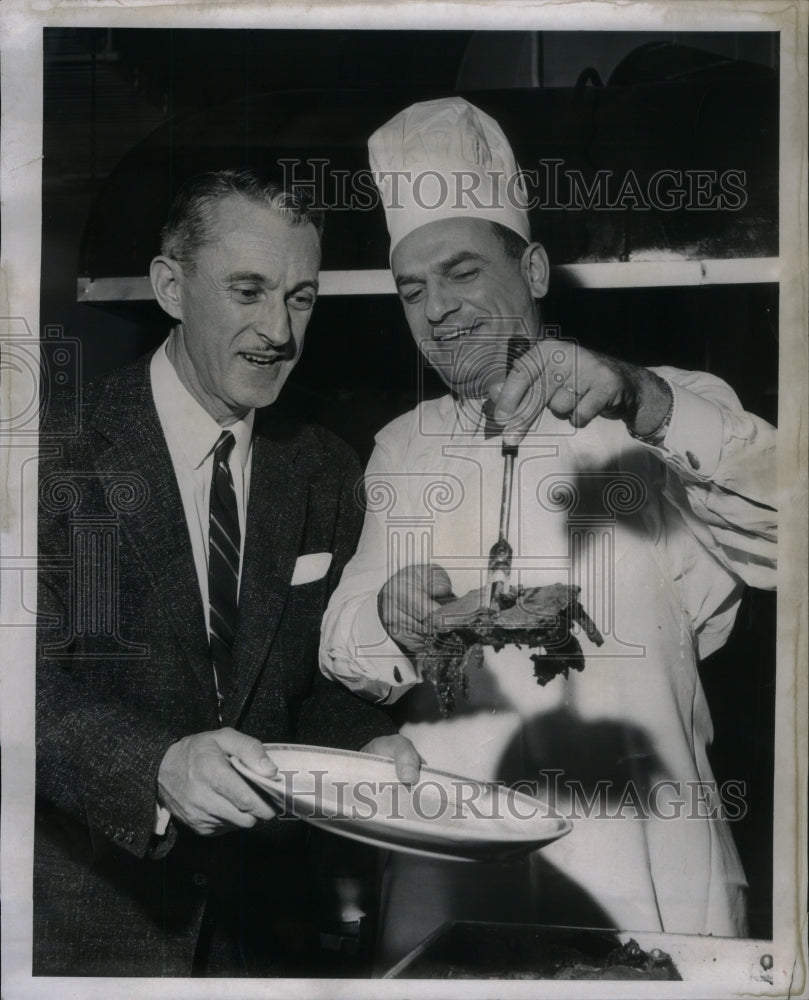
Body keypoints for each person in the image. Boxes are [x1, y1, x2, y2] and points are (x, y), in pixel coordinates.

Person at [319, 98, 777, 963]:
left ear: (530, 269)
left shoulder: (661, 408)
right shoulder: (398, 449)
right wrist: (386, 611)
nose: (436, 310)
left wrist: (643, 399)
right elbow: (341, 644)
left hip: (649, 875)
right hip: (449, 888)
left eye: (460, 272)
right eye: (411, 289)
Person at [34, 169, 419, 977]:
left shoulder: (321, 467)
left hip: (264, 935)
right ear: (171, 287)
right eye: (247, 291)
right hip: (85, 933)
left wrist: (370, 745)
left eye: (301, 297)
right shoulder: (49, 456)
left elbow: (308, 692)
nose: (277, 330)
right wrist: (154, 766)